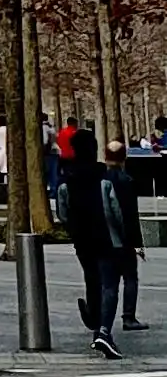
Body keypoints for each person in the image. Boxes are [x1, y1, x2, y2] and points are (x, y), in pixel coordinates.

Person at [63, 125, 124, 358]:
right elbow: (115, 208)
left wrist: (73, 229)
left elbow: (63, 210)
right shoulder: (103, 175)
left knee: (91, 279)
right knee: (109, 284)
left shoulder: (66, 177)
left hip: (82, 239)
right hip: (106, 237)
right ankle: (103, 332)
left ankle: (93, 318)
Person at [108, 146, 147, 332]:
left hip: (105, 238)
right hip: (125, 239)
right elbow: (131, 216)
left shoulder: (101, 180)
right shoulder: (127, 181)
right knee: (130, 277)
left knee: (109, 282)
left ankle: (103, 318)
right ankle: (128, 317)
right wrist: (138, 245)